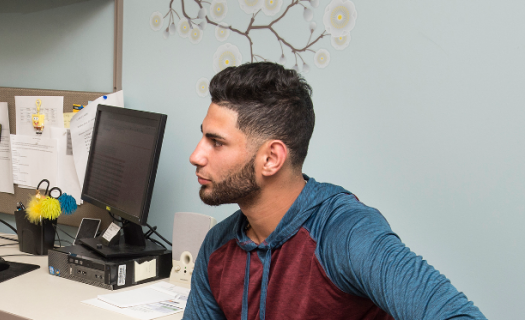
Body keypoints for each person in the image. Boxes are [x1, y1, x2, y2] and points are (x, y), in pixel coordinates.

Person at [182, 62, 485, 319]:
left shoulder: (345, 233)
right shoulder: (217, 247)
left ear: (271, 158)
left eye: (216, 142)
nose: (197, 155)